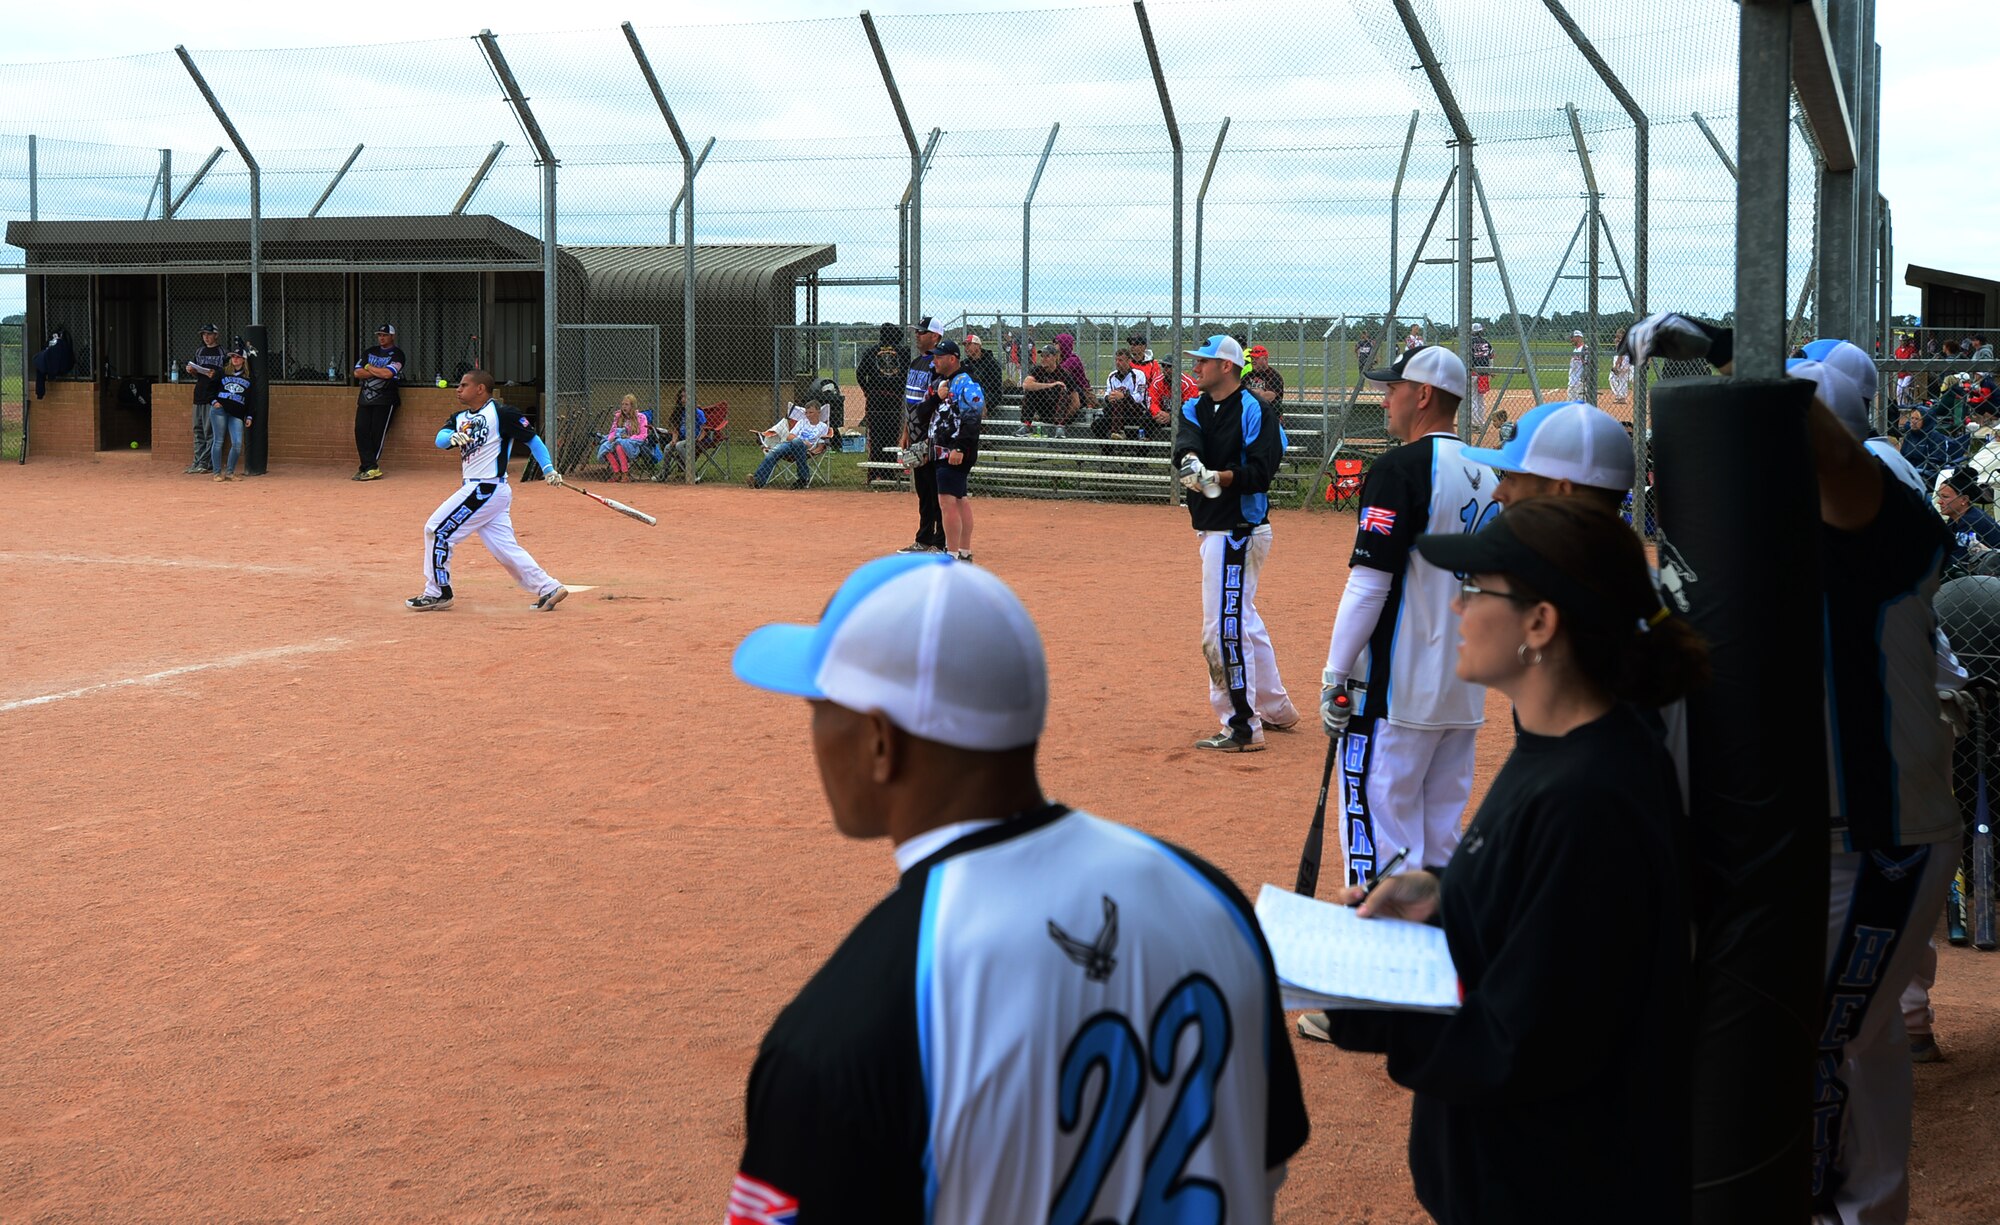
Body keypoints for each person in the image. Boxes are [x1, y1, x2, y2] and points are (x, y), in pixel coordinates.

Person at [725, 553, 1310, 1223]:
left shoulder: (843, 1027)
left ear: (881, 742)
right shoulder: (1213, 903)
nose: (813, 730)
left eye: (819, 706)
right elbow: (1263, 1167)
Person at [1625, 315, 1959, 1223]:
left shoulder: (1879, 499)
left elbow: (1838, 468)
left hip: (1879, 840)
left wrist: (1746, 358)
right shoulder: (1780, 526)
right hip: (1831, 834)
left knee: (1817, 1055)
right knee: (1856, 1047)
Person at [1310, 497, 1705, 1225]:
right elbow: (1543, 916)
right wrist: (1446, 891)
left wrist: (1371, 1001)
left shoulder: (1589, 795)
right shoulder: (1567, 753)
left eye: (1475, 589)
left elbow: (1522, 1044)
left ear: (1540, 622)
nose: (1456, 608)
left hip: (1555, 1191)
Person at [1310, 344, 1491, 892]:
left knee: (1382, 836)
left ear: (1424, 395)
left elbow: (1369, 583)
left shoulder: (1397, 469)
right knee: (1441, 841)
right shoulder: (1487, 470)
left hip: (1396, 692)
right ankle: (1440, 960)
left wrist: (1334, 674)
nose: (1385, 399)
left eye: (1394, 388)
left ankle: (1380, 963)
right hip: (1464, 690)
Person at [1172, 334, 1300, 751]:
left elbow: (1260, 473)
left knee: (1221, 628)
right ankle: (1276, 708)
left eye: (1204, 362)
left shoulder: (1256, 410)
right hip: (1213, 527)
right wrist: (1192, 465)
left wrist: (1218, 478)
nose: (1196, 368)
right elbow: (1186, 447)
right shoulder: (1194, 406)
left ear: (1226, 366)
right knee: (1243, 619)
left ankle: (1242, 725)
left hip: (1239, 532)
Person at [406, 369, 568, 613]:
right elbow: (440, 438)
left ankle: (438, 591)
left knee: (437, 530)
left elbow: (533, 440)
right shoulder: (459, 418)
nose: (458, 389)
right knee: (504, 548)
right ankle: (548, 587)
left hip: (485, 487)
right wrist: (452, 437)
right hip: (485, 490)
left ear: (480, 389)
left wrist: (548, 469)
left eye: (464, 385)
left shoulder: (503, 414)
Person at [924, 340, 985, 560]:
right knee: (959, 499)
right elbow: (922, 412)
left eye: (939, 357)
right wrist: (935, 397)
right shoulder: (942, 383)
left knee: (947, 502)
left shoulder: (965, 382)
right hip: (942, 451)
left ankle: (952, 553)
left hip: (955, 451)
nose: (935, 361)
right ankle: (964, 552)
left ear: (952, 358)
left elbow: (973, 418)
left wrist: (960, 447)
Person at [897, 316, 946, 554]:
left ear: (935, 336)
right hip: (915, 435)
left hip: (932, 437)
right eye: (916, 331)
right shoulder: (916, 362)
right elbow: (910, 401)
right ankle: (924, 539)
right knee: (923, 490)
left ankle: (940, 542)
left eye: (922, 332)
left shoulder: (939, 366)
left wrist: (930, 436)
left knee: (937, 490)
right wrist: (906, 431)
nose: (917, 335)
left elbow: (938, 403)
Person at [351, 324, 404, 481]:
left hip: (386, 399)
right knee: (360, 430)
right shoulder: (370, 351)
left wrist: (369, 367)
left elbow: (388, 374)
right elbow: (357, 372)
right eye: (379, 335)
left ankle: (370, 467)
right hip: (365, 398)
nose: (381, 338)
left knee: (377, 433)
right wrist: (375, 370)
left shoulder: (398, 354)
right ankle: (369, 466)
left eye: (385, 335)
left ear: (392, 337)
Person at [749, 400, 831, 490]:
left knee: (797, 442)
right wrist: (802, 442)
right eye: (806, 413)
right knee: (773, 452)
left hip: (805, 449)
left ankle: (803, 479)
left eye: (811, 412)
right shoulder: (802, 422)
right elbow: (789, 436)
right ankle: (758, 481)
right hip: (791, 445)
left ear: (818, 412)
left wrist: (813, 451)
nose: (808, 415)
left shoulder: (823, 426)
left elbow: (820, 444)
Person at [857, 322, 909, 463]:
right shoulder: (904, 352)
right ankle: (888, 470)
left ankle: (875, 471)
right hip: (894, 397)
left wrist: (868, 391)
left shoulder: (871, 351)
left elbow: (860, 374)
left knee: (876, 434)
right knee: (892, 434)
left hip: (875, 397)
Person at [182, 323, 224, 475]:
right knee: (198, 430)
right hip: (198, 394)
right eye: (203, 334)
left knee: (209, 431)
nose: (206, 337)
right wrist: (192, 370)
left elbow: (225, 375)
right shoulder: (199, 351)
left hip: (212, 396)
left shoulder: (222, 352)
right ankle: (197, 461)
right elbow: (196, 373)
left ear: (216, 335)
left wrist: (216, 374)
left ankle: (207, 463)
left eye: (209, 334)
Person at [1937, 468, 2000, 569]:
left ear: (1964, 499)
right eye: (1939, 496)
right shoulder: (1956, 517)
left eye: (1945, 497)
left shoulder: (1971, 520)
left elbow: (1957, 561)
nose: (1939, 502)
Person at [1018, 342, 1082, 436]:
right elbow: (1026, 384)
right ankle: (1027, 425)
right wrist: (1050, 385)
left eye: (1047, 356)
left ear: (1055, 357)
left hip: (1060, 412)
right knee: (1031, 390)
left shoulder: (1064, 374)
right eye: (1042, 356)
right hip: (1044, 409)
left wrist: (1065, 418)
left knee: (1060, 387)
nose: (1043, 359)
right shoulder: (1038, 370)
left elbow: (1076, 402)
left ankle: (1060, 427)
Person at [207, 348, 252, 482]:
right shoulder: (222, 372)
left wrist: (249, 416)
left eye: (238, 357)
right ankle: (216, 473)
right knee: (218, 441)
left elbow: (251, 399)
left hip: (237, 414)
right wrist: (213, 401)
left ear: (243, 360)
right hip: (219, 411)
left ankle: (230, 472)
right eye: (233, 356)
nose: (235, 359)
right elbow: (210, 388)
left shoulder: (249, 377)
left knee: (237, 443)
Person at [1094, 346, 1151, 438]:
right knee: (1096, 425)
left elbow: (1140, 396)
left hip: (1134, 411)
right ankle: (1108, 449)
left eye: (1121, 360)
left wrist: (1124, 396)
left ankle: (1118, 431)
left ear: (1129, 361)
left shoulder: (1139, 374)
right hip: (1114, 412)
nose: (1117, 363)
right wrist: (1109, 397)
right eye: (1116, 360)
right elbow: (1107, 393)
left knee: (1119, 401)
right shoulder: (1112, 376)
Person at [597, 395, 649, 482]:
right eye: (623, 404)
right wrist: (611, 438)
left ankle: (625, 473)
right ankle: (617, 472)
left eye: (627, 404)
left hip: (633, 443)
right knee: (606, 446)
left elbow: (643, 435)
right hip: (618, 440)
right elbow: (613, 431)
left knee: (619, 446)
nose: (624, 407)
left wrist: (629, 437)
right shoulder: (619, 417)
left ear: (632, 406)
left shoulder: (641, 417)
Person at [1243, 344, 1285, 429]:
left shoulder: (1274, 376)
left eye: (1257, 358)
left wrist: (1251, 392)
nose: (1253, 361)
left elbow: (1269, 397)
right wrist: (1259, 392)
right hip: (1251, 414)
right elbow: (1240, 392)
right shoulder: (1248, 375)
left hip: (1269, 415)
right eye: (1252, 358)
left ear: (1265, 359)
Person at [960, 333, 1003, 412]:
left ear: (978, 346)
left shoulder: (992, 364)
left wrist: (983, 402)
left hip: (984, 402)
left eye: (969, 344)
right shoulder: (964, 364)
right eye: (965, 345)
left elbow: (996, 392)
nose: (966, 348)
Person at [1466, 322, 1494, 429]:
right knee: (1480, 398)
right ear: (1481, 331)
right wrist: (1490, 370)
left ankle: (1475, 424)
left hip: (1472, 373)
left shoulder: (1469, 343)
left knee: (1473, 398)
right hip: (1484, 373)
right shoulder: (1486, 342)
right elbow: (1491, 356)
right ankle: (1481, 421)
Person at [1566, 329, 1591, 401]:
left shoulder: (1585, 349)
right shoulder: (1575, 350)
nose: (1571, 340)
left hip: (1580, 382)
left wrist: (1584, 379)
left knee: (1581, 404)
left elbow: (1588, 365)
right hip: (1572, 382)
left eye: (1572, 338)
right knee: (1570, 404)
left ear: (1578, 337)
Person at [1609, 326, 1633, 404]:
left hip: (1622, 360)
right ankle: (1622, 397)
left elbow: (1620, 355)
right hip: (1627, 360)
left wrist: (1617, 365)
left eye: (1619, 334)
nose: (1617, 336)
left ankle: (1619, 395)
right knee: (1623, 379)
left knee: (1612, 378)